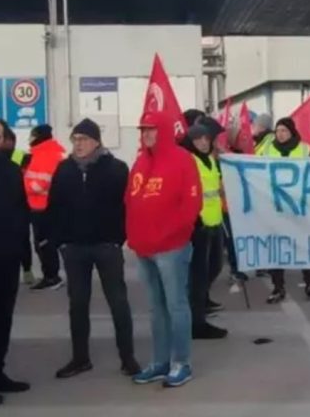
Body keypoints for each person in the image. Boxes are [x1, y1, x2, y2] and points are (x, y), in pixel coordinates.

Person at [46, 119, 140, 379]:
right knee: (78, 304)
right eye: (75, 139)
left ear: (97, 141)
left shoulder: (117, 169)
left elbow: (128, 205)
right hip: (74, 248)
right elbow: (54, 207)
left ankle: (127, 357)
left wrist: (118, 238)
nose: (78, 144)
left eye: (84, 139)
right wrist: (59, 242)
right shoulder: (64, 170)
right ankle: (80, 358)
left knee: (118, 302)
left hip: (106, 246)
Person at [126, 111, 202, 388]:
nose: (146, 134)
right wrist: (133, 236)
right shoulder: (140, 162)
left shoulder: (183, 160)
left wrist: (173, 234)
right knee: (156, 308)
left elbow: (191, 205)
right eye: (143, 129)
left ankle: (181, 362)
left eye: (151, 129)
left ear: (164, 131)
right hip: (144, 247)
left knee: (176, 305)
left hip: (171, 248)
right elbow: (130, 201)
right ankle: (160, 361)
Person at [0, 116, 31, 407]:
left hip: (7, 259)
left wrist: (25, 258)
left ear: (4, 140)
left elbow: (21, 214)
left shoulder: (12, 170)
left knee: (2, 321)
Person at [261, 117, 310, 304]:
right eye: (277, 130)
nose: (280, 134)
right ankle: (278, 286)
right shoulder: (267, 149)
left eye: (284, 131)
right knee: (277, 247)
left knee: (303, 244)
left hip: (299, 206)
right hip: (275, 206)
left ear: (291, 132)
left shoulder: (304, 148)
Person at [183, 124, 229, 339]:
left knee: (215, 267)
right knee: (198, 275)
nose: (203, 142)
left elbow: (215, 189)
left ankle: (197, 307)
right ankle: (196, 322)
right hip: (198, 226)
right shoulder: (189, 161)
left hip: (214, 223)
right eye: (198, 139)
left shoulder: (210, 160)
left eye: (206, 138)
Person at [26, 124, 66, 290]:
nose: (30, 139)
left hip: (43, 207)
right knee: (45, 243)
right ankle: (50, 275)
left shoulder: (46, 156)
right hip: (42, 206)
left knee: (44, 244)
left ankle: (52, 277)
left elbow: (41, 183)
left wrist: (22, 187)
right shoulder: (43, 153)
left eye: (32, 136)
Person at [0, 123, 35, 285]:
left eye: (8, 140)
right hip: (0, 207)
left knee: (22, 240)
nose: (6, 143)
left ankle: (27, 270)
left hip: (20, 206)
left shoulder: (20, 155)